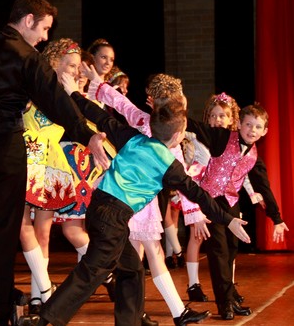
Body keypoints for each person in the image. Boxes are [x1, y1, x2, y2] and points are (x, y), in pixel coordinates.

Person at [37, 77, 251, 326]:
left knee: (132, 269)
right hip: (113, 218)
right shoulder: (170, 165)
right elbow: (199, 194)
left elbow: (98, 115)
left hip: (99, 210)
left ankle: (129, 321)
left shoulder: (131, 137)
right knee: (93, 271)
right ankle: (44, 320)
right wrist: (228, 219)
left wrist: (74, 93)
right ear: (179, 134)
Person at [0, 0, 108, 325]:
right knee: (3, 231)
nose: (45, 36)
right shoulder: (27, 57)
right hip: (4, 151)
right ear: (28, 20)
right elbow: (56, 100)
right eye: (44, 28)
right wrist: (87, 134)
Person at [185, 103, 289, 320]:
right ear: (239, 124)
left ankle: (230, 297)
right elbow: (195, 126)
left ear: (264, 131)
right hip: (210, 201)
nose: (252, 130)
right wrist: (175, 110)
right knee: (219, 252)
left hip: (231, 202)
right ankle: (224, 304)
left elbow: (263, 186)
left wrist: (277, 218)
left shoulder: (254, 156)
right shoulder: (223, 138)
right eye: (248, 124)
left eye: (257, 127)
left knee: (231, 249)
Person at [183, 92, 266, 304]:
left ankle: (229, 286)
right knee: (196, 237)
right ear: (207, 118)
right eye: (213, 115)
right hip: (199, 194)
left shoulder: (237, 142)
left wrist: (255, 196)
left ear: (232, 120)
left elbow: (243, 174)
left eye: (223, 116)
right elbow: (190, 165)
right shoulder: (199, 138)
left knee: (230, 244)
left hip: (226, 198)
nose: (218, 119)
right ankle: (193, 284)